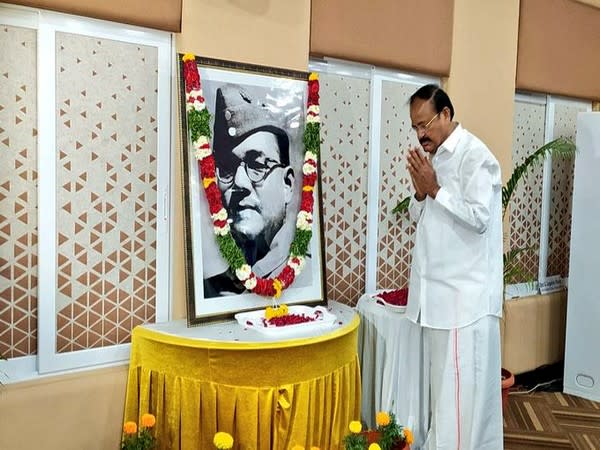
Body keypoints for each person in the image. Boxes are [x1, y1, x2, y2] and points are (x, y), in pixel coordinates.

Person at [405, 84, 504, 449]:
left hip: (465, 301)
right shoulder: (437, 161)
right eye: (415, 127)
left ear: (446, 114)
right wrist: (420, 193)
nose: (420, 134)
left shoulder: (474, 156)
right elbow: (425, 217)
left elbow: (480, 218)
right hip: (436, 299)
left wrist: (434, 190)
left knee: (460, 406)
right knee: (444, 402)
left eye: (425, 123)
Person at [203, 84, 300, 297]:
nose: (240, 183)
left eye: (257, 165)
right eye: (226, 169)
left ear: (287, 185)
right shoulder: (210, 292)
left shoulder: (303, 277)